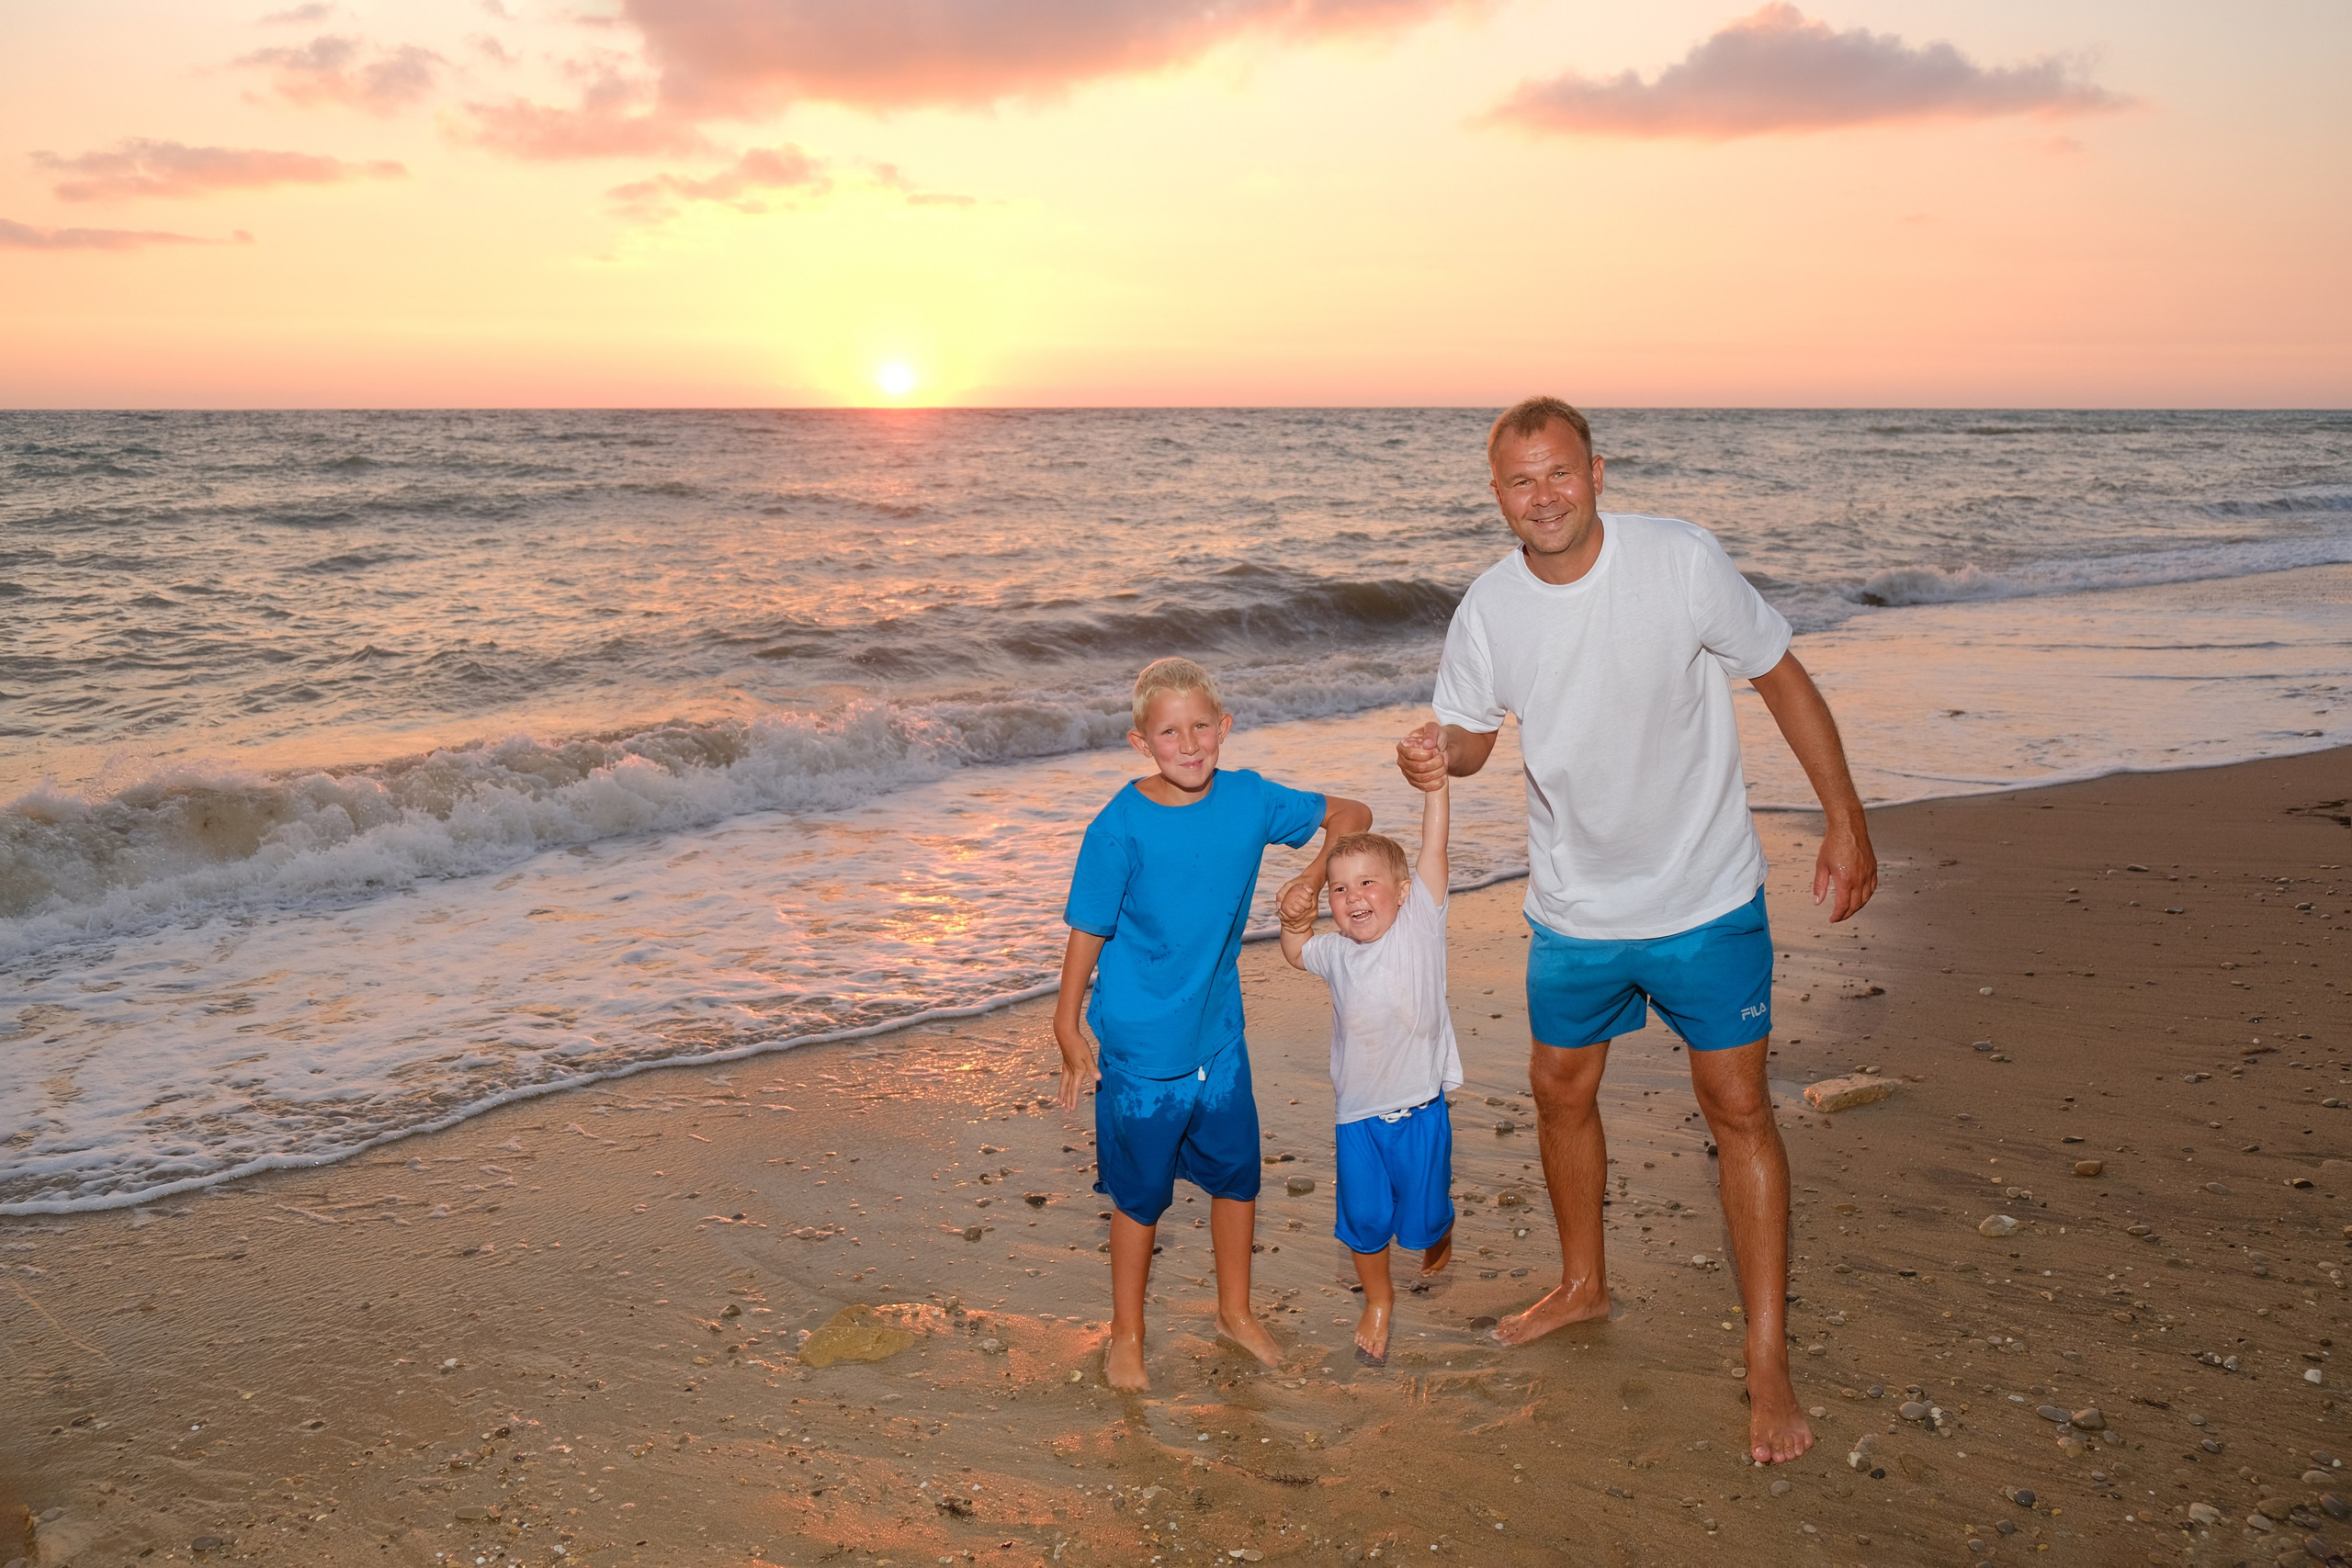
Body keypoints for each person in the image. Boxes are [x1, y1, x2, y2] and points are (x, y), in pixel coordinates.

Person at [1397, 396, 1877, 1466]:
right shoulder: (1490, 607)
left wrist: (1845, 820)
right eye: (1521, 481)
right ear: (1497, 495)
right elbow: (1471, 738)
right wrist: (1435, 754)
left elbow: (1780, 675)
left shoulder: (1678, 561)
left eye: (1560, 472)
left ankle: (1766, 1359)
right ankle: (1583, 1283)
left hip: (1705, 897)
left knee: (1738, 1108)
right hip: (1575, 908)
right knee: (1558, 1090)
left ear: (1597, 472)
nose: (1544, 496)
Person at [1055, 656, 1372, 1393]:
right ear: (1141, 742)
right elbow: (1088, 927)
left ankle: (1235, 1312)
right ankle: (1127, 1333)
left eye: (1202, 726)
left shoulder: (1250, 799)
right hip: (1141, 1048)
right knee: (1140, 1198)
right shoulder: (1118, 826)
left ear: (1224, 727)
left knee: (1237, 1176)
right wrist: (1066, 1023)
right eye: (1170, 732)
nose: (1189, 744)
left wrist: (1310, 877)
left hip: (1220, 1037)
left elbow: (1352, 814)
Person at [1276, 761, 1462, 1369]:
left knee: (1424, 1217)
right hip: (1356, 1115)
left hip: (1419, 1111)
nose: (1353, 897)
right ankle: (1378, 1300)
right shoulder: (1336, 952)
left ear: (1402, 891)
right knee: (1364, 1219)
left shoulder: (1419, 925)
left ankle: (1440, 1229)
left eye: (1367, 883)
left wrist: (1436, 789)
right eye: (1338, 889)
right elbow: (1297, 952)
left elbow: (1434, 846)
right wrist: (1293, 920)